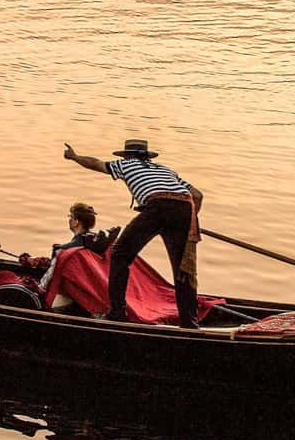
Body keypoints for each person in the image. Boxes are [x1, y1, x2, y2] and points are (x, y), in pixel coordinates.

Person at [63, 139, 203, 328]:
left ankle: (117, 313)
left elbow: (96, 164)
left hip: (157, 207)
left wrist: (74, 157)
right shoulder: (166, 170)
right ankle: (189, 324)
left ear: (128, 155)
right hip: (185, 208)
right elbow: (197, 195)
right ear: (147, 156)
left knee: (119, 254)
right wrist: (188, 218)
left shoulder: (126, 164)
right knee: (182, 272)